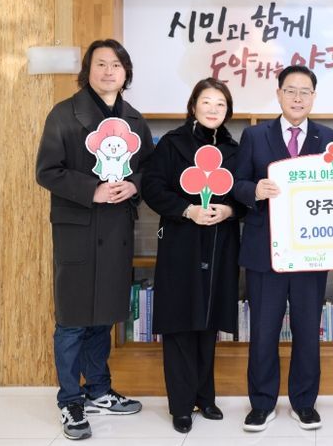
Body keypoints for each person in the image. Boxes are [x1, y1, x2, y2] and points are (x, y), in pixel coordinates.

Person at [35, 39, 153, 441]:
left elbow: (149, 170)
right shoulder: (63, 114)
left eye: (116, 65)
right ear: (88, 71)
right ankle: (70, 401)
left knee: (103, 316)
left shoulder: (134, 120)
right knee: (71, 321)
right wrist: (93, 190)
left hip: (117, 229)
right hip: (78, 228)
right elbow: (47, 171)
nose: (109, 71)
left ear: (126, 73)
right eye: (101, 64)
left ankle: (99, 390)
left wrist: (134, 186)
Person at [233, 65, 333, 432]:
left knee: (307, 330)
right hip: (265, 250)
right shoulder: (254, 135)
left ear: (314, 97)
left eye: (305, 91)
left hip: (311, 252)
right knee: (263, 331)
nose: (298, 98)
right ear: (279, 94)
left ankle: (304, 402)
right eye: (291, 90)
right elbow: (237, 183)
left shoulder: (331, 139)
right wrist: (254, 190)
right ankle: (261, 403)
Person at [141, 78, 242, 434]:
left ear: (228, 111)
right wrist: (187, 210)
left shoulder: (234, 149)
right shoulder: (173, 143)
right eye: (207, 102)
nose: (213, 109)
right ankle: (181, 405)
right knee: (181, 323)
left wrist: (228, 211)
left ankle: (205, 397)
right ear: (193, 105)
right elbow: (152, 187)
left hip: (220, 244)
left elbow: (244, 195)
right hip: (181, 242)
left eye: (220, 104)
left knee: (208, 323)